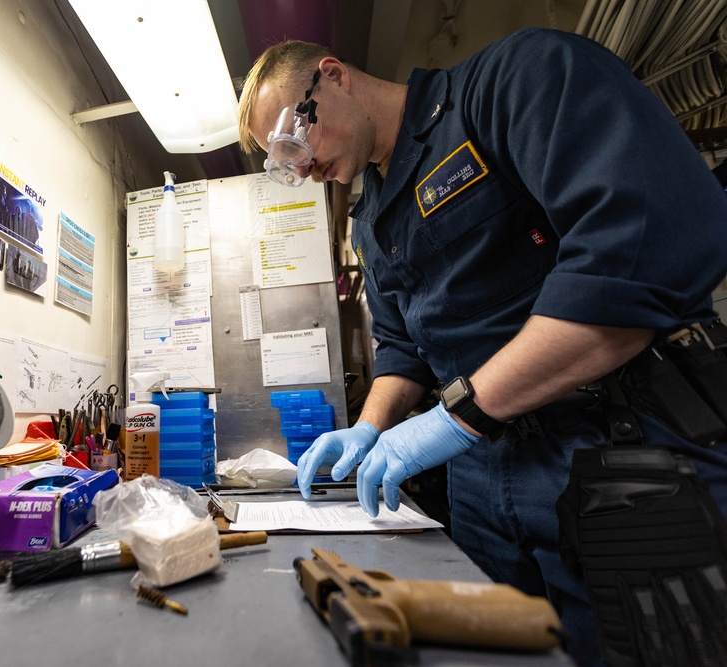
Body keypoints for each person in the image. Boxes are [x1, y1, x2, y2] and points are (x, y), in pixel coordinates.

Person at [238, 28, 727, 666]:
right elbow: (401, 348)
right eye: (284, 162)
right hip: (484, 482)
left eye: (295, 141)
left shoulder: (512, 84)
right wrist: (369, 427)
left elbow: (635, 257)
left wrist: (456, 417)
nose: (300, 166)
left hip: (617, 448)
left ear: (331, 76)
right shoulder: (371, 216)